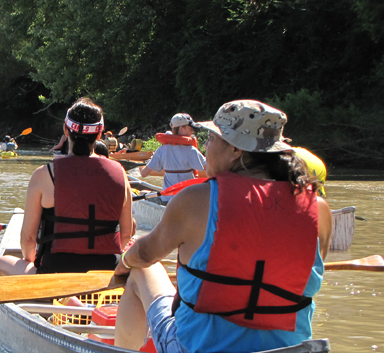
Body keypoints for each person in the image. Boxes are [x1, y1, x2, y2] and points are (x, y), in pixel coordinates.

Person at [113, 100, 333, 352]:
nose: (206, 147)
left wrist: (124, 264)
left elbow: (144, 253)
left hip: (199, 347)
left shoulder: (196, 199)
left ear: (236, 150)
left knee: (141, 271)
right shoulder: (319, 209)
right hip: (288, 350)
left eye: (212, 139)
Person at [0, 98, 133, 275]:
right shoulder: (120, 173)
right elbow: (126, 236)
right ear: (99, 135)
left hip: (54, 273)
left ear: (66, 130)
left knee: (2, 261)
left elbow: (28, 239)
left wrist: (32, 264)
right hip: (105, 272)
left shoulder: (44, 174)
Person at [139, 113, 207, 204]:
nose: (192, 132)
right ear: (181, 128)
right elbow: (210, 169)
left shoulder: (161, 150)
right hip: (189, 200)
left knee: (142, 192)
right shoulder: (191, 150)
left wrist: (141, 169)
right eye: (190, 128)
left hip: (168, 201)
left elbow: (144, 174)